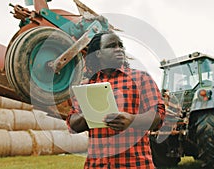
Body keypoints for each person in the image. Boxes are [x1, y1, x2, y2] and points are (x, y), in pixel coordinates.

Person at [66, 31, 165, 169]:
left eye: (121, 46)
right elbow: (73, 124)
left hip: (135, 165)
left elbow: (158, 117)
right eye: (112, 46)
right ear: (98, 53)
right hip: (97, 165)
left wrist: (131, 120)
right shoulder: (86, 86)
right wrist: (89, 113)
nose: (119, 49)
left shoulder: (141, 78)